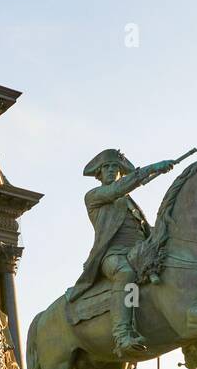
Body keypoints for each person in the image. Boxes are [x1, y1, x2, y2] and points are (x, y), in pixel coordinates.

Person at [68, 149, 176, 357]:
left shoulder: (128, 202)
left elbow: (144, 229)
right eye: (106, 167)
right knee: (125, 273)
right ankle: (122, 334)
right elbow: (117, 190)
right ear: (98, 174)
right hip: (112, 255)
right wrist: (153, 169)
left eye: (115, 167)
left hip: (139, 252)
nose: (111, 170)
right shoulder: (94, 196)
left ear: (120, 172)